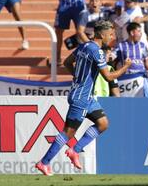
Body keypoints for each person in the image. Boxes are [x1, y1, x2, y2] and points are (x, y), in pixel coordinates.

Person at [35, 20, 132, 176]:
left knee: (103, 123)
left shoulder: (84, 46)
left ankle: (75, 151)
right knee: (68, 132)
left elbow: (67, 62)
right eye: (110, 34)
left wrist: (79, 77)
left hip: (86, 97)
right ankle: (44, 162)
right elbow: (108, 77)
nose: (112, 37)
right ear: (101, 34)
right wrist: (126, 67)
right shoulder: (97, 51)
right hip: (81, 98)